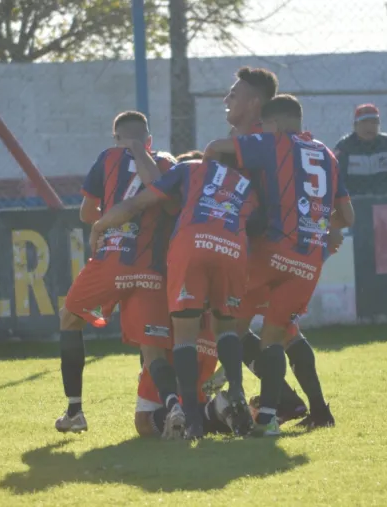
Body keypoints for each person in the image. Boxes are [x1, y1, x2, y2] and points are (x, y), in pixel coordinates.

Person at [205, 94, 355, 436]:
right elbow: (347, 216)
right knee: (274, 338)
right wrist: (315, 222)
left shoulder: (274, 143)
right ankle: (268, 418)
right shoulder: (327, 155)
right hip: (308, 260)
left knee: (228, 327)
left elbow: (214, 148)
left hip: (269, 251)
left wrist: (210, 188)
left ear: (273, 124)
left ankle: (228, 390)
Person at [90, 155, 259, 439]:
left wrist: (99, 226)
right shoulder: (245, 185)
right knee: (232, 328)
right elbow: (259, 225)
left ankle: (192, 417)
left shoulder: (186, 176)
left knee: (146, 420)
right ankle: (236, 398)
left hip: (172, 288)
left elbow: (136, 204)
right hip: (231, 254)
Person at [55, 111, 179, 433]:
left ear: (116, 139)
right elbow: (170, 206)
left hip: (111, 260)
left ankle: (74, 412)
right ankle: (173, 407)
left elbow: (87, 213)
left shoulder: (108, 158)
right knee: (152, 346)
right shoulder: (167, 164)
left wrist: (110, 215)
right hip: (151, 268)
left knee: (70, 317)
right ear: (149, 140)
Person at [134, 314, 233, 438]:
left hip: (177, 325)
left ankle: (212, 410)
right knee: (198, 403)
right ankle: (219, 412)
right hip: (209, 326)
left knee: (144, 422)